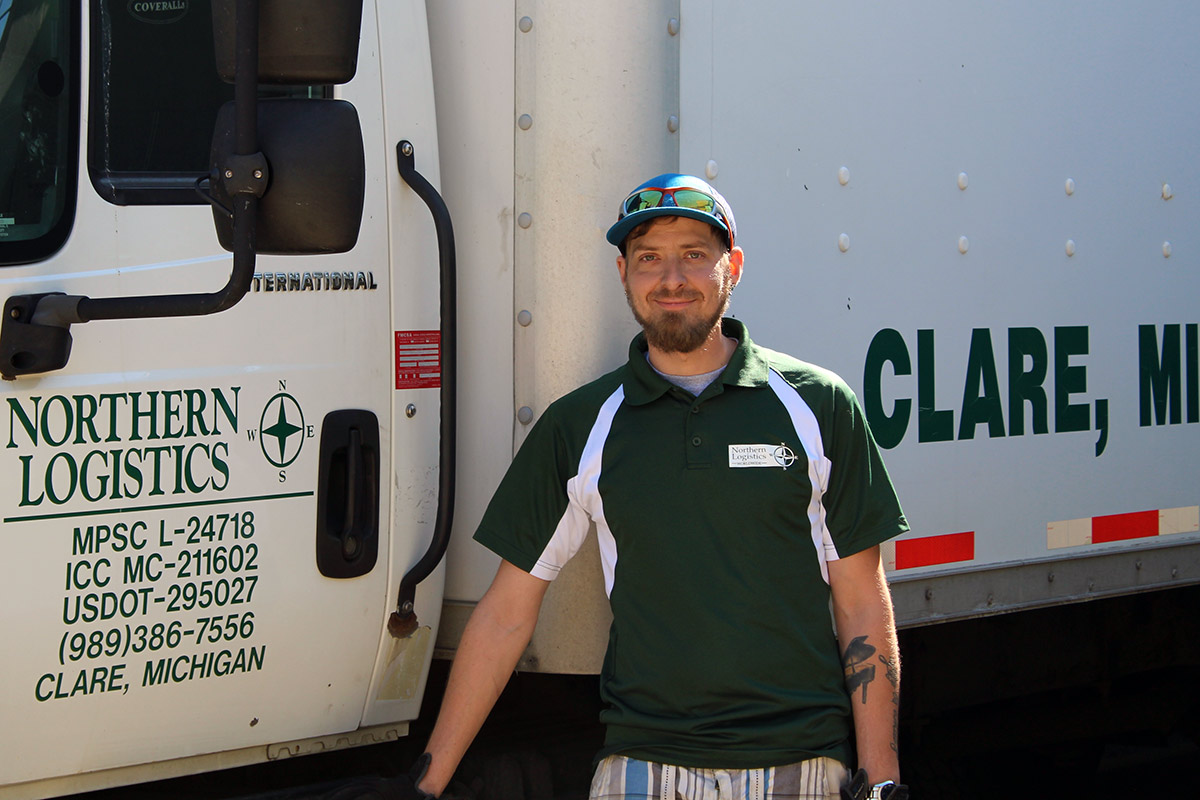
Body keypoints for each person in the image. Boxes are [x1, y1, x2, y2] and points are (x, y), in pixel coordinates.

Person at [402, 174, 909, 800]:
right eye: (649, 258)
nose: (671, 278)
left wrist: (881, 780)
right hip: (642, 765)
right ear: (623, 273)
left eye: (694, 254)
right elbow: (506, 615)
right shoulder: (580, 424)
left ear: (734, 267)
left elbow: (862, 600)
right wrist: (425, 787)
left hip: (800, 762)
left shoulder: (818, 406)